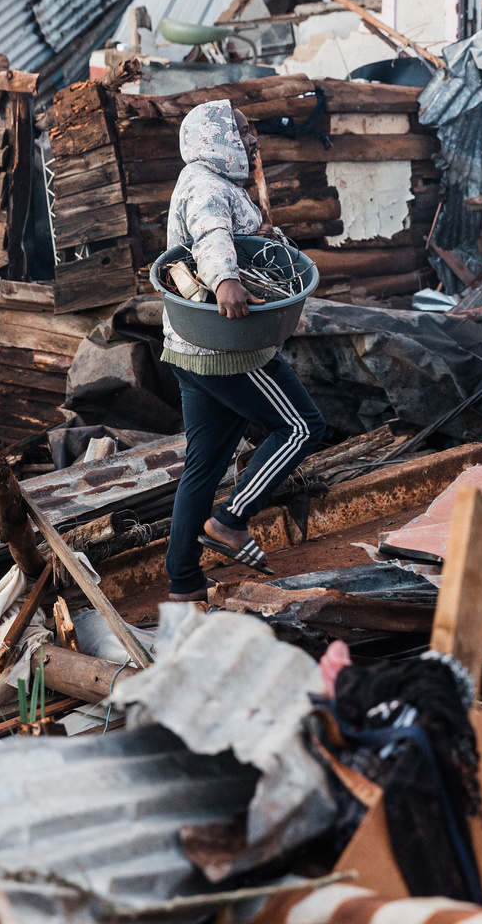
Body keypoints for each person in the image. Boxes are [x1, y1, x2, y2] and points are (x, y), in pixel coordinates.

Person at [162, 100, 325, 603]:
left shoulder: (210, 181)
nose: (252, 140)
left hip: (189, 348)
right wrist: (226, 280)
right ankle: (231, 520)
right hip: (227, 348)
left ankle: (184, 582)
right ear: (215, 138)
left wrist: (260, 235)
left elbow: (229, 232)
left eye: (250, 132)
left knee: (204, 465)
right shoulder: (207, 187)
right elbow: (211, 235)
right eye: (242, 132)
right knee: (302, 427)